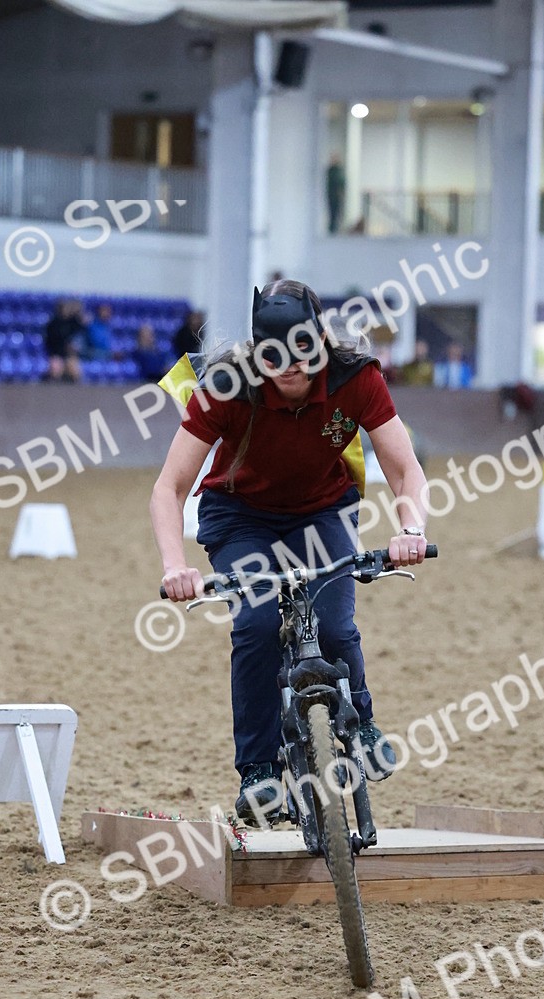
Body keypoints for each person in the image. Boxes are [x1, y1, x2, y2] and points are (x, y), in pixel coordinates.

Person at [150, 279, 429, 825]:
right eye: (274, 355)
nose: (290, 368)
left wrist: (411, 529)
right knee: (255, 626)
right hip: (240, 517)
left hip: (321, 512)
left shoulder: (356, 378)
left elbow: (404, 468)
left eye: (303, 350)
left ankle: (362, 722)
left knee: (336, 626)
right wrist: (174, 566)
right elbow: (169, 487)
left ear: (321, 338)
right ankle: (258, 770)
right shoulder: (227, 387)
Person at [43, 299, 84, 382]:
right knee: (55, 370)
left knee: (75, 371)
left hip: (69, 355)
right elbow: (50, 341)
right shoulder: (53, 324)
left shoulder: (72, 322)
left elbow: (79, 331)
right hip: (56, 353)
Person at [326, 155, 346, 234]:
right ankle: (332, 229)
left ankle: (335, 228)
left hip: (336, 196)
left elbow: (342, 183)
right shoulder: (331, 171)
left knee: (337, 213)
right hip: (332, 195)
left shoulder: (339, 171)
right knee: (332, 213)